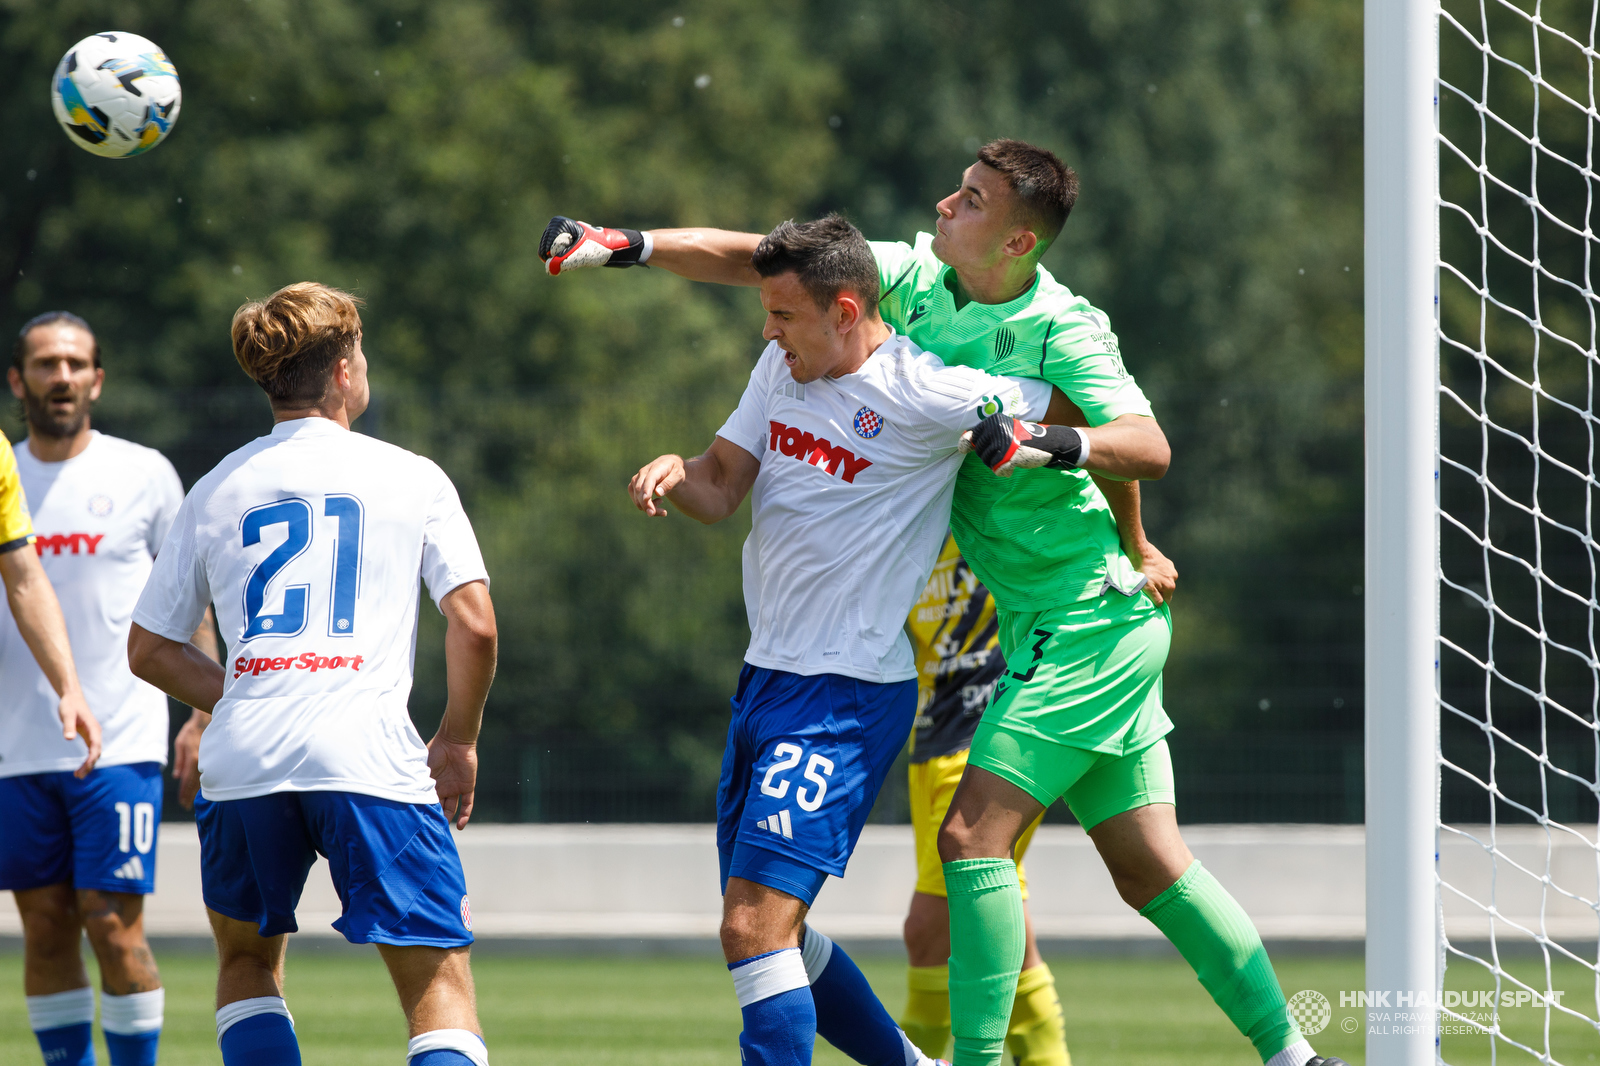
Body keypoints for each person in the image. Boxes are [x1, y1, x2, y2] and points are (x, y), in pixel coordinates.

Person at [544, 139, 1346, 1066]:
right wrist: (626, 245)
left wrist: (1049, 451)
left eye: (970, 201)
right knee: (1150, 871)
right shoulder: (910, 280)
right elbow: (762, 258)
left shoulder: (1062, 330)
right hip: (1045, 619)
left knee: (969, 840)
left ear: (1017, 243)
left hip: (1084, 624)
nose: (941, 206)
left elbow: (1137, 439)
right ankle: (1296, 1056)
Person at [624, 214, 1169, 1066]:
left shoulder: (928, 389)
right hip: (766, 681)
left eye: (783, 315)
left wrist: (1123, 529)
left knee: (751, 925)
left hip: (846, 694)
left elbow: (1110, 430)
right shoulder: (781, 366)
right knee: (771, 935)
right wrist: (675, 473)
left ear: (845, 310)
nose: (767, 331)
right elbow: (723, 483)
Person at [127, 282, 499, 1066]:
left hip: (245, 762)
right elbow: (474, 624)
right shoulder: (412, 476)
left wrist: (253, 694)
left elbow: (150, 650)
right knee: (438, 983)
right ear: (341, 371)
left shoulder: (216, 486)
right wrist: (458, 741)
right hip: (366, 757)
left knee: (247, 966)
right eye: (359, 352)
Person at [0, 312, 215, 1066]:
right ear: (17, 379)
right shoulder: (4, 473)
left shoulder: (143, 472)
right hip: (17, 745)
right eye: (46, 363)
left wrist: (199, 712)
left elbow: (191, 600)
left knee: (113, 922)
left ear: (98, 379)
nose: (61, 376)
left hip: (121, 736)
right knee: (47, 922)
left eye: (75, 362)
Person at [901, 534, 1065, 1066]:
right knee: (999, 936)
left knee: (929, 931)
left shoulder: (990, 489)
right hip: (928, 736)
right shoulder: (904, 497)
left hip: (989, 733)